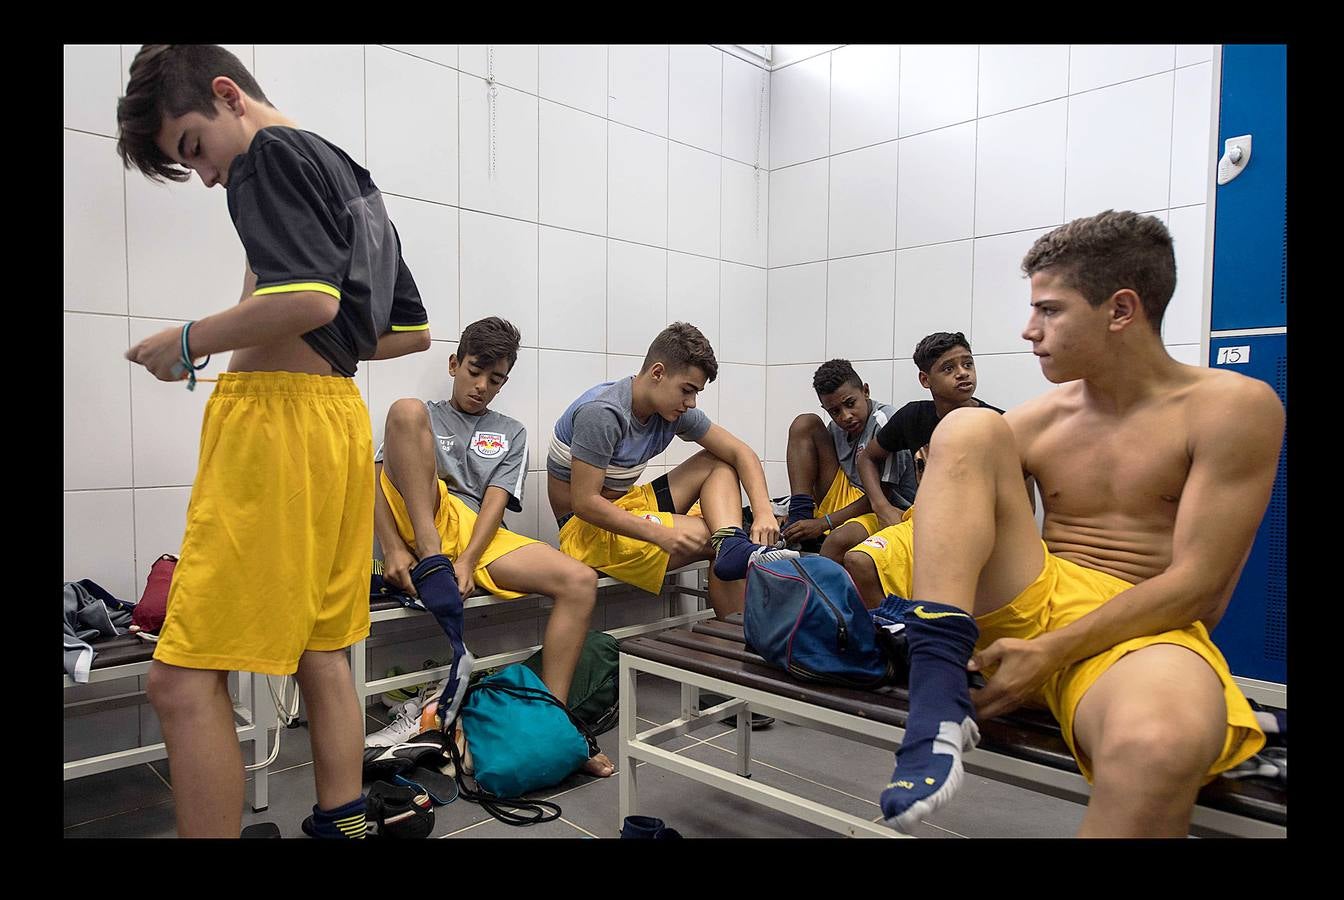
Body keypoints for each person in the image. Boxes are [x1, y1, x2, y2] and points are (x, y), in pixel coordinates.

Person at [852, 210, 1283, 837]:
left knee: (1158, 743)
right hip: (1036, 600)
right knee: (969, 424)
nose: (1029, 331)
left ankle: (1221, 713)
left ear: (1121, 310)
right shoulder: (1033, 420)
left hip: (1140, 631)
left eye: (1049, 310)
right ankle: (937, 693)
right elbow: (949, 524)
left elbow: (1200, 588)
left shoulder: (1231, 409)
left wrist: (1051, 653)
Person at [117, 44, 432, 838]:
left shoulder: (268, 155)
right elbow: (407, 331)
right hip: (334, 424)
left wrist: (189, 340)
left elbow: (312, 302)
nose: (208, 177)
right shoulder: (351, 176)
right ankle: (345, 823)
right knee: (322, 647)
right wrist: (289, 323)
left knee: (181, 682)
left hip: (278, 429)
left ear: (228, 96)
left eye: (193, 148)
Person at [370, 316, 613, 777]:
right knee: (403, 409)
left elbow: (494, 506)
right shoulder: (421, 417)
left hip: (475, 536)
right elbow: (373, 482)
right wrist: (394, 550)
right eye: (474, 371)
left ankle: (549, 724)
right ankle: (429, 556)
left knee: (580, 580)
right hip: (428, 521)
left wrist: (466, 559)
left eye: (494, 379)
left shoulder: (511, 432)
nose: (481, 386)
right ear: (453, 364)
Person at [777, 359, 917, 562]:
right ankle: (799, 518)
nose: (846, 416)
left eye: (850, 404)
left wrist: (824, 523)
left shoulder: (885, 421)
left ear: (865, 391)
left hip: (884, 508)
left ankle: (823, 591)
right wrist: (793, 513)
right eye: (835, 411)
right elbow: (815, 470)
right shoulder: (837, 428)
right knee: (805, 423)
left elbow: (883, 494)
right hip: (848, 498)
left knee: (837, 541)